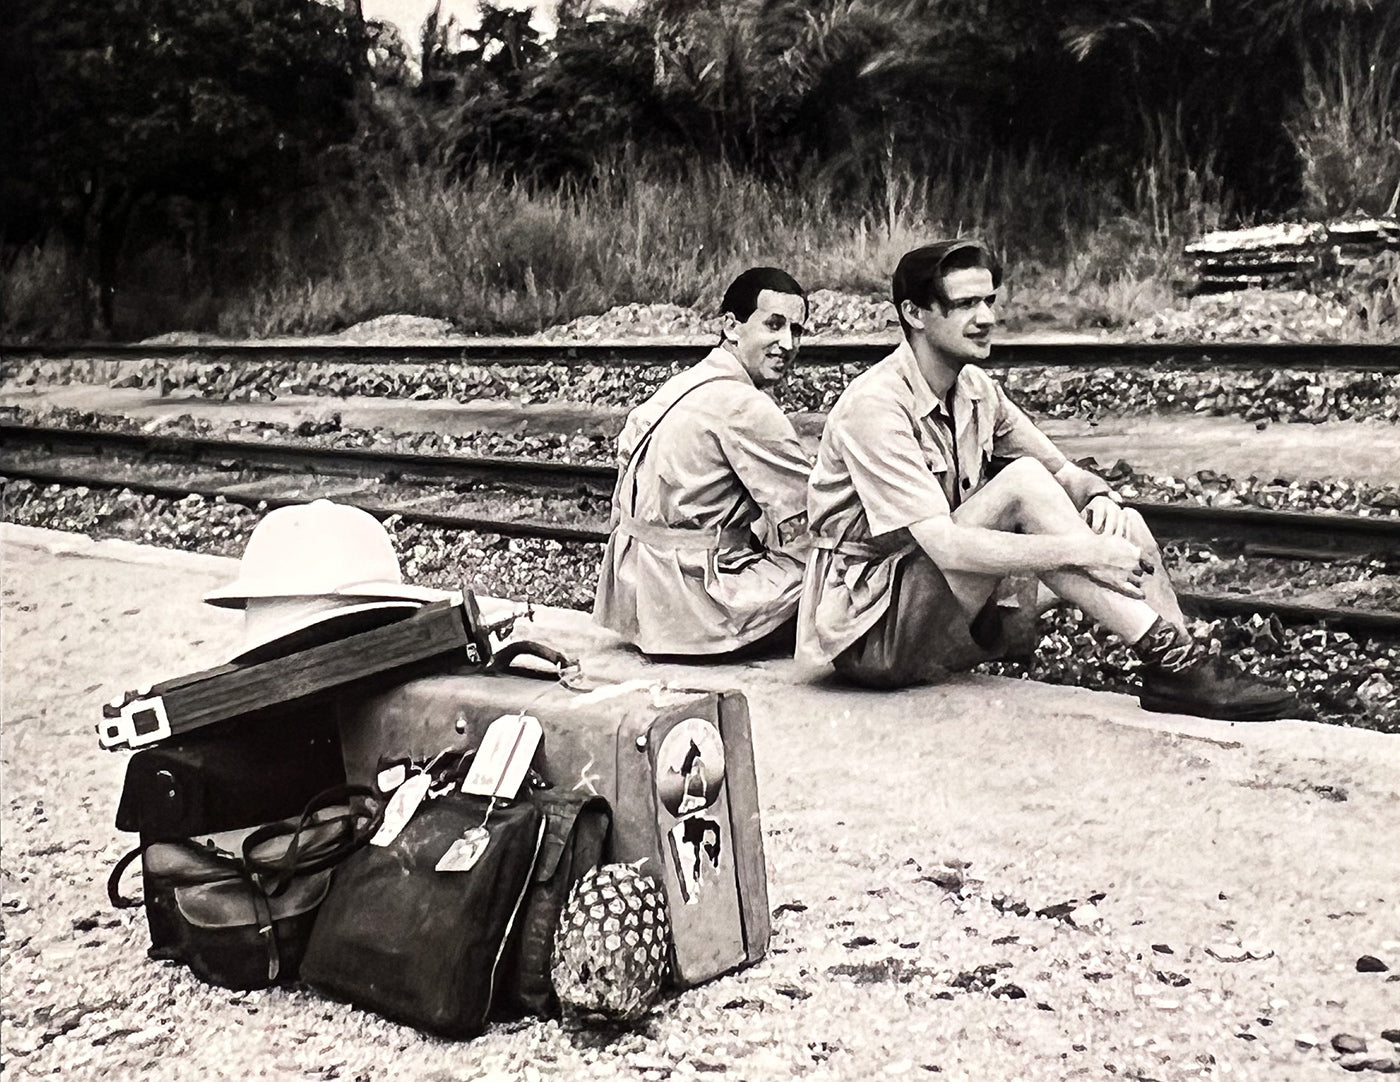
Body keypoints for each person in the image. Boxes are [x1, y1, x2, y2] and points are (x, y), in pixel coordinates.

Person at [796, 239, 1299, 721]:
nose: (987, 318)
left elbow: (1061, 472)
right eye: (966, 304)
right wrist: (1084, 552)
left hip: (943, 613)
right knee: (1023, 486)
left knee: (1125, 524)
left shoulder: (975, 388)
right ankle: (1171, 659)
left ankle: (1180, 667)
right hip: (874, 633)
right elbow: (947, 547)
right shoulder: (876, 405)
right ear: (915, 314)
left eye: (989, 301)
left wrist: (1100, 496)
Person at [593, 267, 813, 659]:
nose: (787, 343)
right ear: (731, 326)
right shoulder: (746, 406)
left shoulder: (679, 386)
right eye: (774, 325)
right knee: (840, 571)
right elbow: (811, 512)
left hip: (636, 598)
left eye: (796, 331)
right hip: (697, 605)